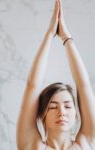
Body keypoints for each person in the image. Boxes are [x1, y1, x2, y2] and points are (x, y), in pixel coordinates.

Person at [16, 0, 95, 149]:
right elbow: (32, 86)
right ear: (41, 114)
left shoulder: (85, 144)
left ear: (76, 113)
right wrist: (50, 34)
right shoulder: (32, 145)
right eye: (52, 107)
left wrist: (66, 37)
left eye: (68, 106)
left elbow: (83, 85)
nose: (61, 112)